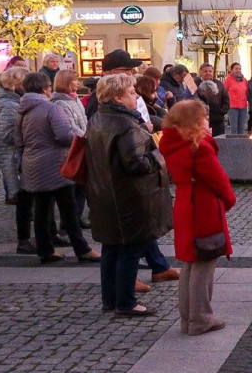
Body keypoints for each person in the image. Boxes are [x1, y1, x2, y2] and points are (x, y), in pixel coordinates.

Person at [86, 73, 173, 317]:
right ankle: (126, 302)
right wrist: (157, 152)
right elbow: (135, 163)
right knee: (129, 250)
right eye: (131, 93)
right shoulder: (124, 124)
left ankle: (111, 300)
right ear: (117, 97)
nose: (136, 97)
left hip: (105, 193)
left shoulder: (98, 118)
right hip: (129, 197)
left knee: (111, 250)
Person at [159, 100, 234, 335]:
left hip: (184, 202)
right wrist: (229, 200)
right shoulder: (199, 147)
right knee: (204, 263)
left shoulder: (172, 143)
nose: (207, 121)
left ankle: (188, 319)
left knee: (190, 264)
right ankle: (201, 319)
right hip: (202, 206)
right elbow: (219, 181)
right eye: (203, 117)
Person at [15, 72, 99, 265]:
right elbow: (63, 135)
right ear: (45, 88)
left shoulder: (22, 109)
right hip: (54, 164)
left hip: (32, 162)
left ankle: (45, 250)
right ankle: (82, 249)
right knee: (68, 209)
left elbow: (17, 140)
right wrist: (79, 136)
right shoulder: (50, 108)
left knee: (42, 210)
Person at [0, 67, 34, 254]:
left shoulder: (13, 100)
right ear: (15, 83)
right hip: (14, 158)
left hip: (17, 156)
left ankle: (26, 240)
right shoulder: (9, 104)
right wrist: (28, 136)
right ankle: (23, 241)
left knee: (27, 201)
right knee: (24, 201)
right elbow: (7, 135)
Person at [52, 70, 90, 229]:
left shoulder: (76, 99)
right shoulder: (60, 103)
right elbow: (69, 126)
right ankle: (69, 221)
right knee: (72, 188)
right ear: (67, 82)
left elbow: (84, 119)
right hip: (72, 147)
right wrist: (84, 136)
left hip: (82, 144)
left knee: (81, 185)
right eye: (75, 80)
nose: (78, 83)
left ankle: (77, 217)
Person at [197, 64, 229, 137]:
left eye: (210, 71)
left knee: (219, 141)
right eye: (205, 71)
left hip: (217, 119)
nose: (208, 73)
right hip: (201, 120)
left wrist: (222, 111)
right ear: (200, 72)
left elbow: (226, 99)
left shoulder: (219, 84)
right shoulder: (195, 84)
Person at [224, 62, 249, 134]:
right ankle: (233, 143)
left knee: (241, 128)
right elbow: (224, 92)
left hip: (243, 106)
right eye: (236, 69)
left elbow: (247, 92)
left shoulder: (244, 80)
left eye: (239, 69)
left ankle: (241, 144)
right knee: (234, 128)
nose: (238, 70)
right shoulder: (228, 80)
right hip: (232, 107)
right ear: (231, 70)